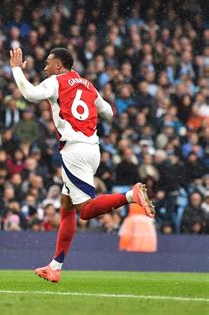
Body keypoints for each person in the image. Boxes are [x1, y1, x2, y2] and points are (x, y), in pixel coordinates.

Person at [9, 47, 155, 283]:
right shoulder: (87, 84)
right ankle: (54, 267)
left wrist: (16, 70)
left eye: (48, 62)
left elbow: (30, 94)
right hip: (92, 149)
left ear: (59, 65)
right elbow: (109, 113)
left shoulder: (55, 81)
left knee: (85, 211)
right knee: (66, 205)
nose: (44, 67)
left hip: (74, 150)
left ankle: (130, 195)